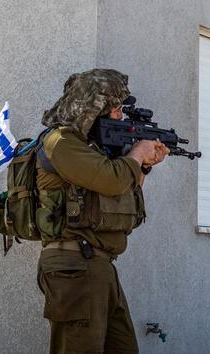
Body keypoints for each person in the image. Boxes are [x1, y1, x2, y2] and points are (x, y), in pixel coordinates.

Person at [35, 68, 169, 354]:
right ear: (90, 109)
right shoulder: (60, 142)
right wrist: (136, 155)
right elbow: (110, 179)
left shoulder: (93, 149)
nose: (120, 116)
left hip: (100, 266)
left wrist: (143, 164)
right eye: (115, 109)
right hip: (73, 265)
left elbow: (121, 189)